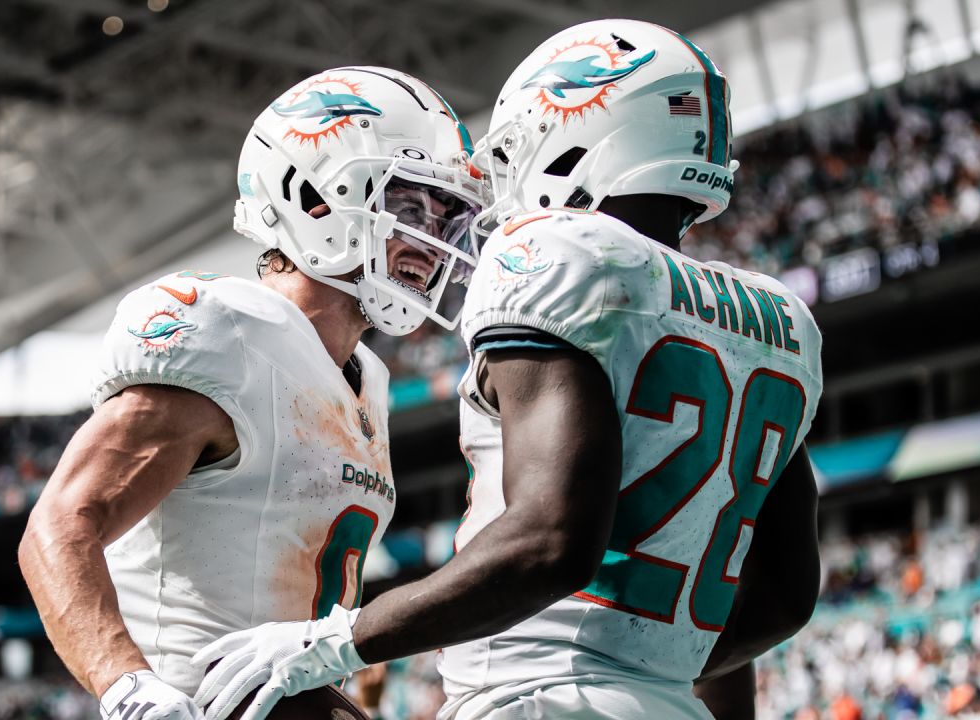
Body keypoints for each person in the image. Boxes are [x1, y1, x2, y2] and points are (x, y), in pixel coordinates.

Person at [193, 20, 824, 720]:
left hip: (538, 699)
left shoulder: (554, 254)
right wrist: (646, 674)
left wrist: (336, 642)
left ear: (583, 132)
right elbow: (784, 598)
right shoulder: (784, 318)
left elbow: (550, 540)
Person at [18, 66, 486, 720]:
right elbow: (61, 524)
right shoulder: (222, 330)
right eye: (410, 207)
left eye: (448, 214)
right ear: (314, 198)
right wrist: (125, 684)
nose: (434, 242)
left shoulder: (366, 377)